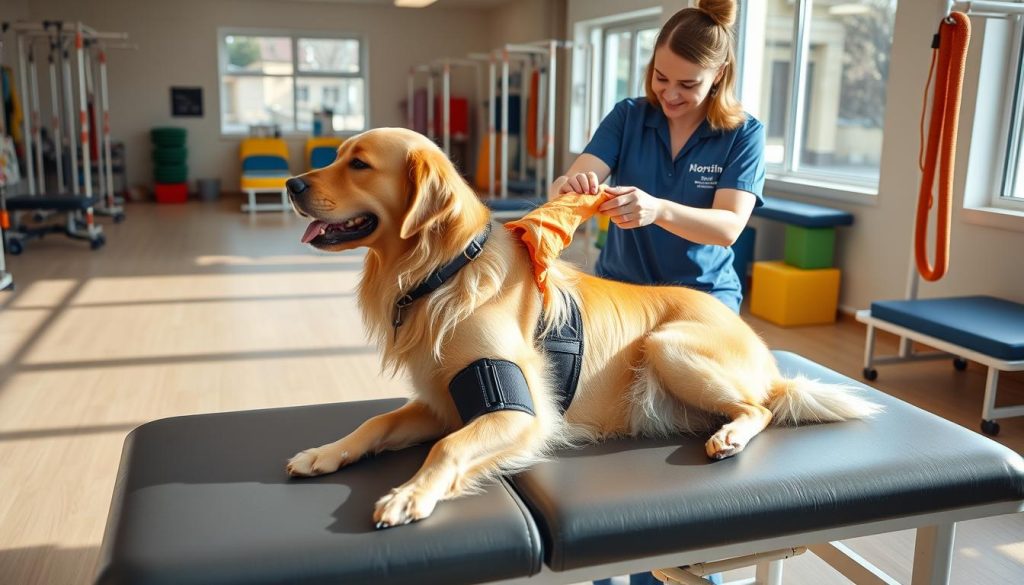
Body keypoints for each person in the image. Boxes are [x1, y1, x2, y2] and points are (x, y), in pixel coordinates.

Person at [556, 1, 765, 584]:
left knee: (680, 463)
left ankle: (678, 571)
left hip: (700, 301)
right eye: (660, 77)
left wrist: (657, 209)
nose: (669, 94)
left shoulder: (742, 134)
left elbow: (727, 227)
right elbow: (571, 181)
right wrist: (576, 184)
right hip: (619, 303)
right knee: (606, 448)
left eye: (688, 84)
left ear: (718, 75)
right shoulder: (628, 115)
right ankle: (604, 566)